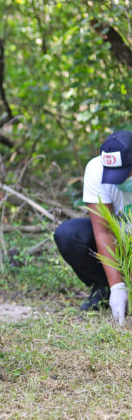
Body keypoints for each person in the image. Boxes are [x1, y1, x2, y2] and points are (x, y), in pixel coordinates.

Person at [54, 130, 132, 325]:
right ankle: (105, 288)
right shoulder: (96, 169)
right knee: (69, 235)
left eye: (123, 174)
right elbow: (104, 232)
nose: (117, 181)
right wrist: (117, 287)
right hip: (119, 236)